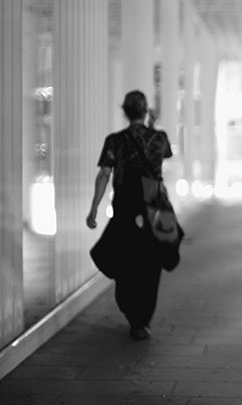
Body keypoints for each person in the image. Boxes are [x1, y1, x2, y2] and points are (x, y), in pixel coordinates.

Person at [86, 90, 173, 340]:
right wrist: (153, 125)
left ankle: (132, 314)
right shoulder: (159, 138)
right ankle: (142, 320)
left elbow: (103, 174)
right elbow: (164, 153)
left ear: (124, 111)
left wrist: (94, 208)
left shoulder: (114, 141)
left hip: (126, 204)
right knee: (151, 262)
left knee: (124, 259)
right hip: (154, 203)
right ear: (146, 111)